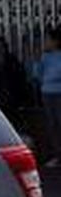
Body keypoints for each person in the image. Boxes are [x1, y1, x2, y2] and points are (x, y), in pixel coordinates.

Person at [36, 28, 61, 162]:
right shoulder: (45, 56)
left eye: (48, 40)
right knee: (51, 124)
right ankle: (57, 154)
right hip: (46, 93)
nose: (46, 42)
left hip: (58, 93)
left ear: (55, 41)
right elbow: (39, 75)